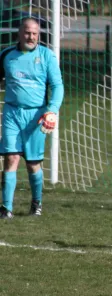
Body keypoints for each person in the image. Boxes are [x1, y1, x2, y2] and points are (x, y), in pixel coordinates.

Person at [0, 18, 64, 219]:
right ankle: (6, 208)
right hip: (11, 112)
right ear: (19, 33)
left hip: (37, 115)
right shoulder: (6, 55)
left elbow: (58, 86)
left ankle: (36, 204)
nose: (31, 37)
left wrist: (52, 110)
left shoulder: (47, 56)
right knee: (11, 157)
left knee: (33, 163)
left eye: (35, 33)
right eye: (27, 32)